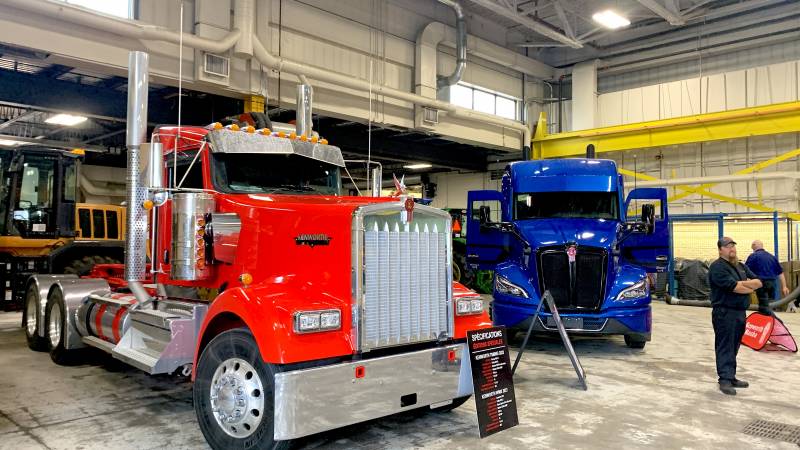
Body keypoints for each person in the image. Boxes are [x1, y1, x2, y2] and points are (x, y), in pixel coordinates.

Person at [708, 237, 762, 396]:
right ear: (720, 250)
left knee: (734, 345)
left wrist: (746, 285)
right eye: (727, 246)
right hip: (724, 312)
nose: (732, 248)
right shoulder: (717, 267)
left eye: (733, 245)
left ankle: (730, 376)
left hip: (739, 312)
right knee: (725, 345)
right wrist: (748, 287)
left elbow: (759, 281)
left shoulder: (740, 265)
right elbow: (735, 287)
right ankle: (724, 379)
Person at [745, 240, 790, 312]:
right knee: (771, 303)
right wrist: (784, 286)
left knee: (763, 304)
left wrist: (745, 284)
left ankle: (765, 319)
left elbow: (745, 271)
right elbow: (780, 273)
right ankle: (771, 318)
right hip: (772, 283)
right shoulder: (772, 257)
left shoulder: (753, 256)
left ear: (754, 246)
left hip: (761, 283)